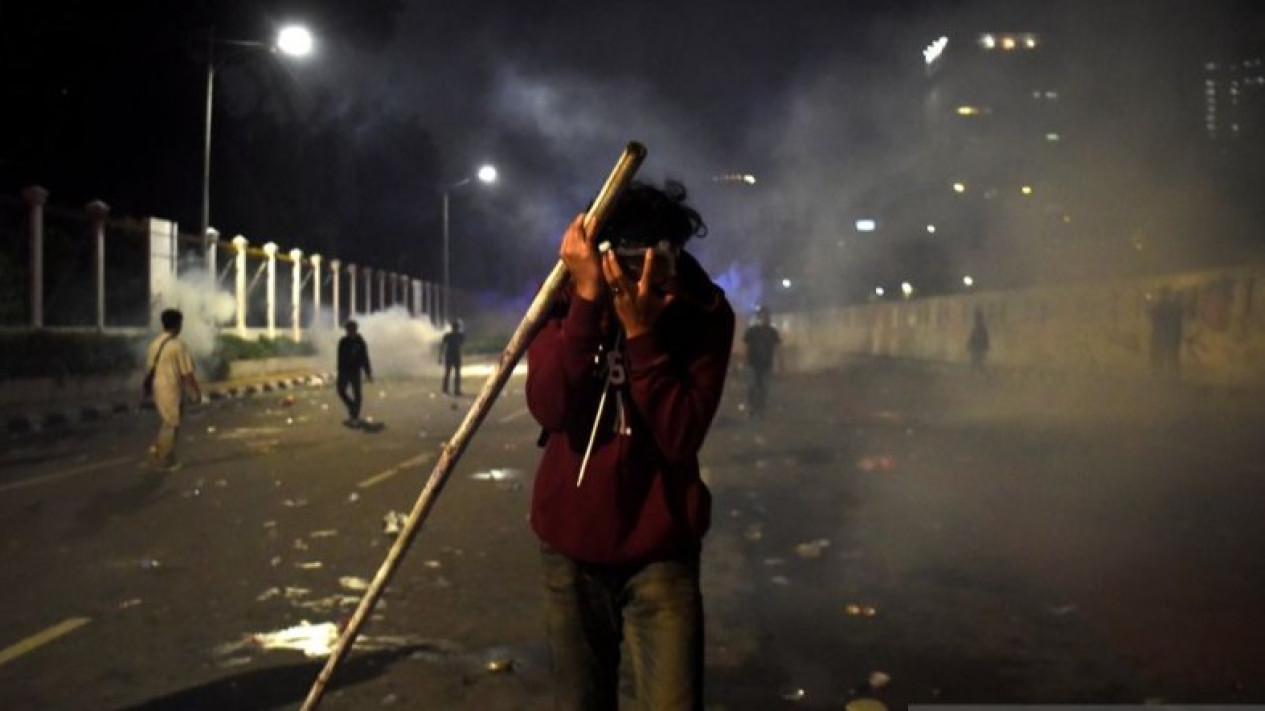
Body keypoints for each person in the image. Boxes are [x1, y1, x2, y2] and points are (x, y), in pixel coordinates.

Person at [526, 180, 735, 710]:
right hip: (571, 551)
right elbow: (550, 408)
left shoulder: (702, 312)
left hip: (661, 553)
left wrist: (643, 336)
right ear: (604, 258)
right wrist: (588, 305)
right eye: (629, 260)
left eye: (659, 261)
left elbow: (681, 434)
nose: (646, 277)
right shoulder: (564, 299)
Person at [145, 308, 201, 470]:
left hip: (158, 387)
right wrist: (196, 391)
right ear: (177, 325)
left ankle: (166, 453)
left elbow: (149, 368)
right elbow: (187, 372)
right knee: (172, 422)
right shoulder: (178, 345)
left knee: (170, 422)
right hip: (172, 388)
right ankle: (162, 454)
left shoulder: (154, 344)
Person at [742, 305, 781, 418]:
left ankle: (760, 411)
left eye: (766, 315)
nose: (764, 318)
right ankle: (752, 408)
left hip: (766, 365)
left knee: (763, 389)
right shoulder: (752, 331)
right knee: (752, 386)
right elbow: (746, 347)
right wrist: (744, 362)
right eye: (762, 315)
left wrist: (780, 364)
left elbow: (778, 348)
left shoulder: (772, 332)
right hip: (752, 364)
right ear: (759, 316)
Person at [336, 319, 373, 427]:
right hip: (344, 371)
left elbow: (365, 358)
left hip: (355, 371)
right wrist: (339, 370)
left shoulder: (360, 342)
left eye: (353, 329)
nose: (351, 331)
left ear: (356, 329)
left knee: (357, 394)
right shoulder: (343, 341)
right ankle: (351, 405)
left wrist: (368, 372)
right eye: (349, 329)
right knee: (341, 391)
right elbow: (340, 357)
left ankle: (354, 415)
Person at [440, 319, 465, 396]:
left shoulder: (449, 336)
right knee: (452, 373)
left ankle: (448, 389)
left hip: (451, 355)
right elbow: (442, 346)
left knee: (451, 373)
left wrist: (440, 356)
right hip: (453, 356)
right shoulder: (459, 336)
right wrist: (440, 356)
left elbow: (442, 346)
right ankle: (454, 390)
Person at [967, 307, 990, 374]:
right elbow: (972, 337)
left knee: (979, 362)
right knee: (975, 362)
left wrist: (986, 346)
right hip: (976, 347)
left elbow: (985, 338)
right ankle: (975, 374)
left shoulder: (981, 328)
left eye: (977, 318)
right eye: (976, 318)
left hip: (979, 347)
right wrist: (969, 345)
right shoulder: (976, 327)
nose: (976, 320)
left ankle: (980, 374)